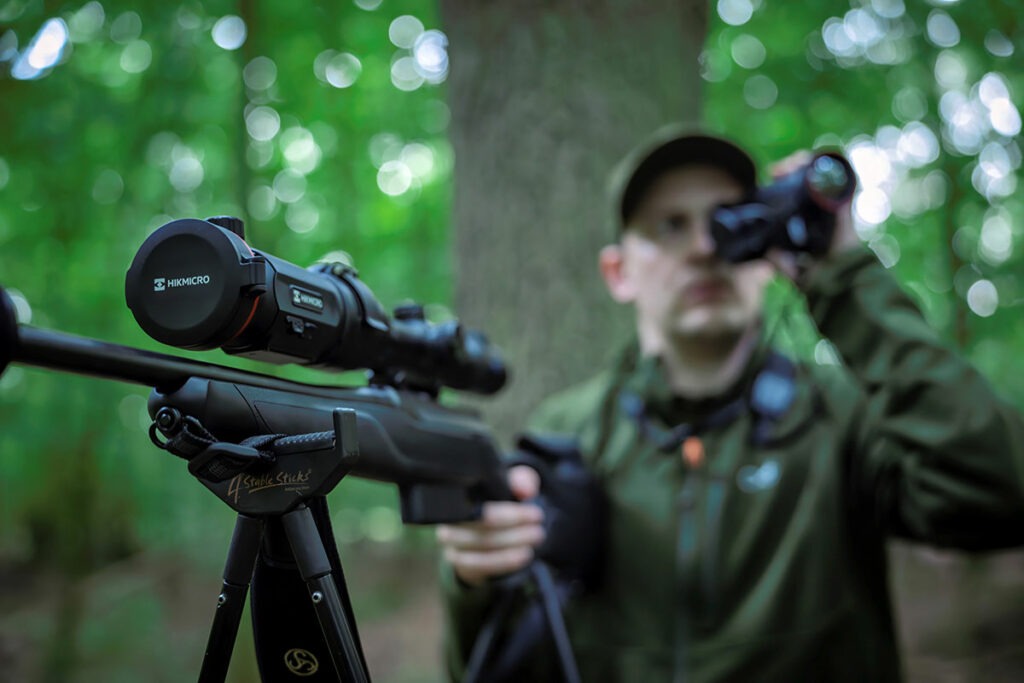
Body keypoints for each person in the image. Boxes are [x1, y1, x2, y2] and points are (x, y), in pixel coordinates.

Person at [435, 126, 1024, 682]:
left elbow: (998, 494)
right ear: (619, 273)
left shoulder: (836, 415)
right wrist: (475, 581)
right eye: (669, 226)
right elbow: (491, 668)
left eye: (730, 223)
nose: (704, 248)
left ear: (766, 253)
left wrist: (843, 277)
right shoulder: (568, 433)